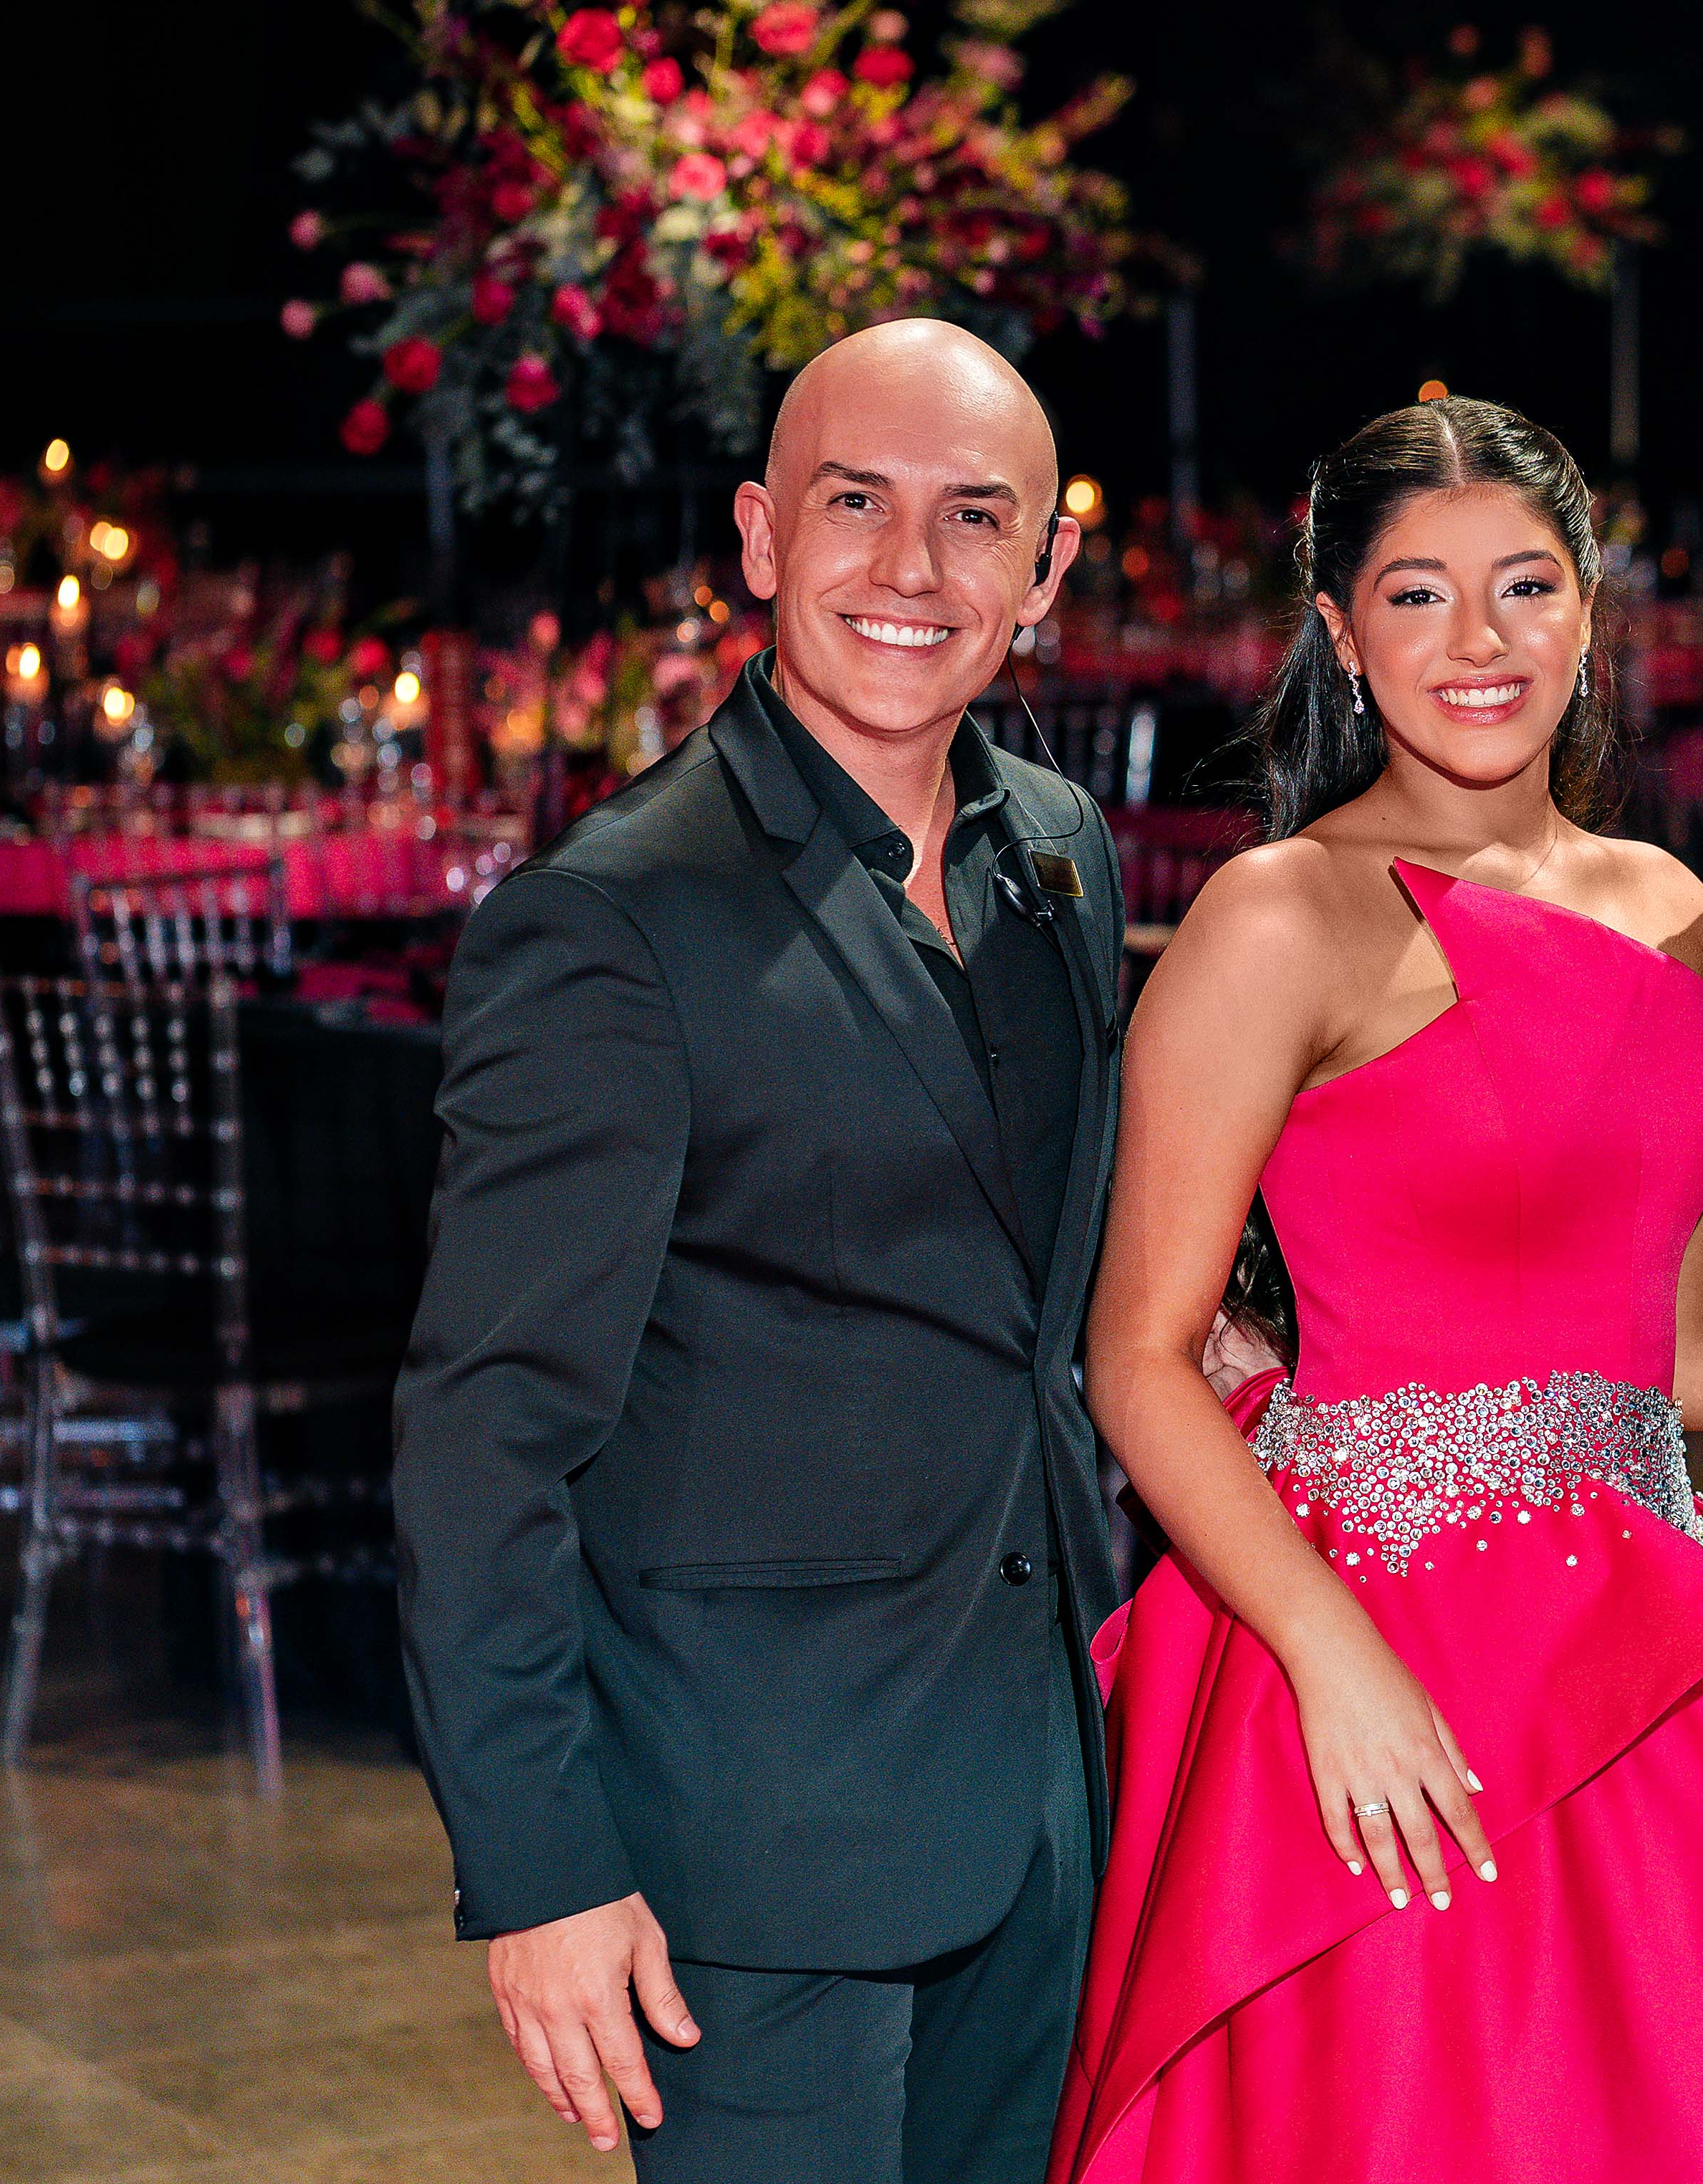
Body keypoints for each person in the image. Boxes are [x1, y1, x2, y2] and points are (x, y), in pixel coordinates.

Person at [1052, 395, 1703, 2183]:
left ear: (1586, 610)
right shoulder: (1277, 918)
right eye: (1416, 594)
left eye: (1523, 586)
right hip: (1376, 1652)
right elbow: (1140, 1357)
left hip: (1635, 1647)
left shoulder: (1670, 909)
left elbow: (1678, 1350)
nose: (1476, 640)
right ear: (1342, 631)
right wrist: (1332, 1656)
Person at [393, 318, 1126, 2182]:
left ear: (1047, 568)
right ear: (760, 535)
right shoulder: (612, 921)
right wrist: (540, 1872)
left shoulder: (1057, 845)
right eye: (854, 503)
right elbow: (484, 1437)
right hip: (745, 1846)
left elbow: (1032, 1290)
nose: (911, 567)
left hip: (1041, 1807)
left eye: (976, 517)